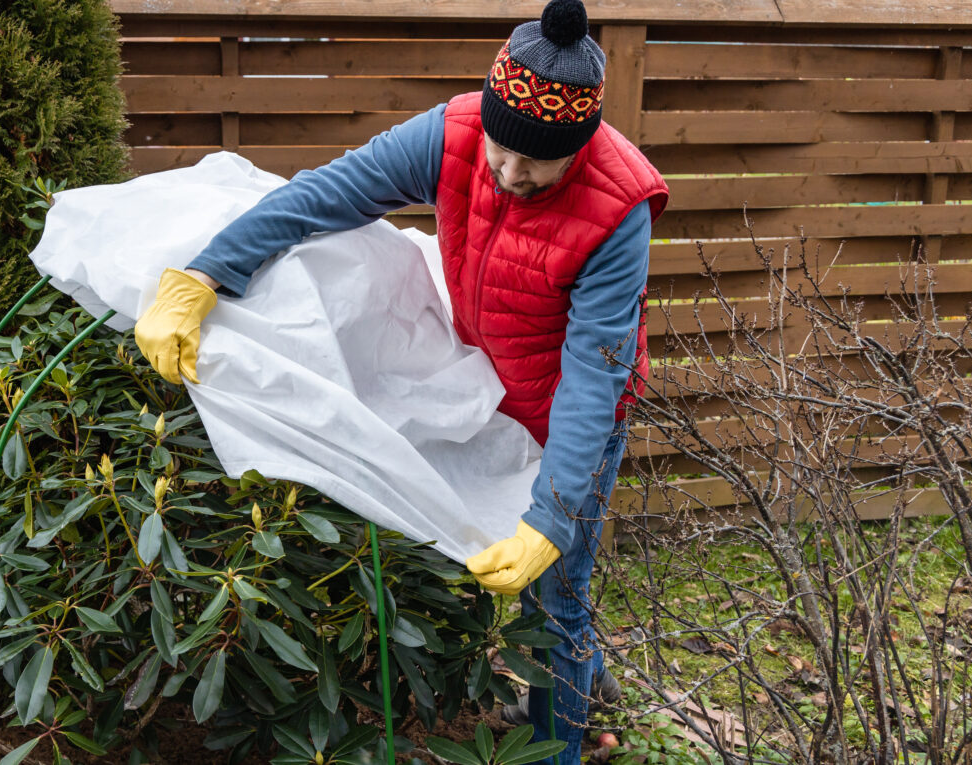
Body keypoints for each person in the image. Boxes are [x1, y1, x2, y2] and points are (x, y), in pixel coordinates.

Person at [133, 0, 668, 760]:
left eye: (535, 163)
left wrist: (550, 518)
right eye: (500, 149)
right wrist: (206, 273)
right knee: (548, 595)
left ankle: (561, 746)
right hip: (491, 383)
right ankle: (591, 685)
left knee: (557, 592)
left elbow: (593, 375)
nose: (509, 174)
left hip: (577, 411)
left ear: (578, 149)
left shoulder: (618, 209)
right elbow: (324, 196)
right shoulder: (450, 136)